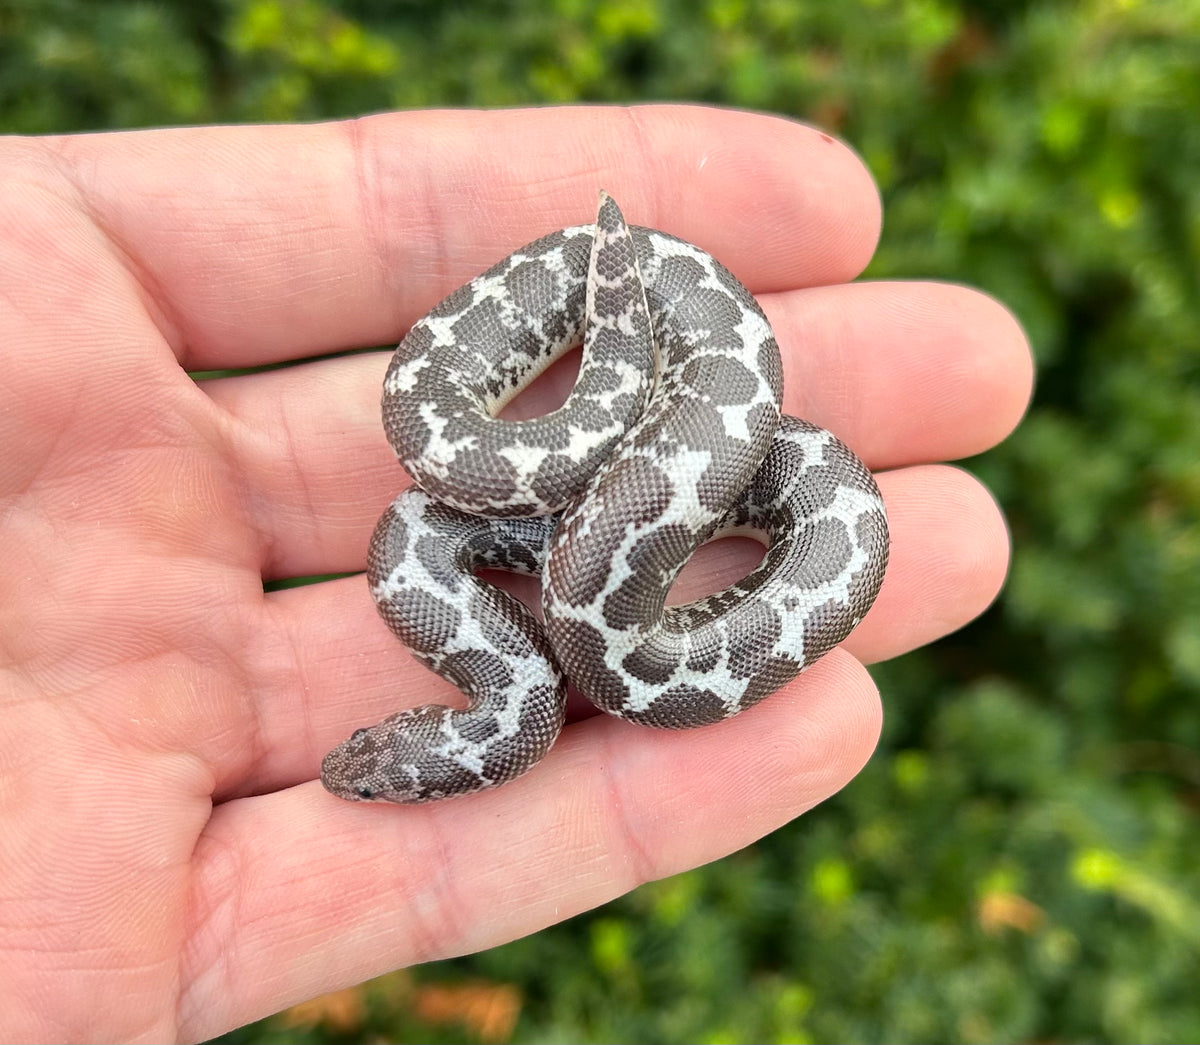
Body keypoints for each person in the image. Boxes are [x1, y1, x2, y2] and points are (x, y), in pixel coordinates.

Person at [0, 105, 1031, 1043]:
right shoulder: (499, 626)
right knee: (467, 502)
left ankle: (629, 354)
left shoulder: (473, 586)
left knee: (477, 501)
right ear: (445, 737)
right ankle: (623, 355)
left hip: (712, 406)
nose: (368, 755)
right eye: (385, 767)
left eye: (378, 758)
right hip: (646, 427)